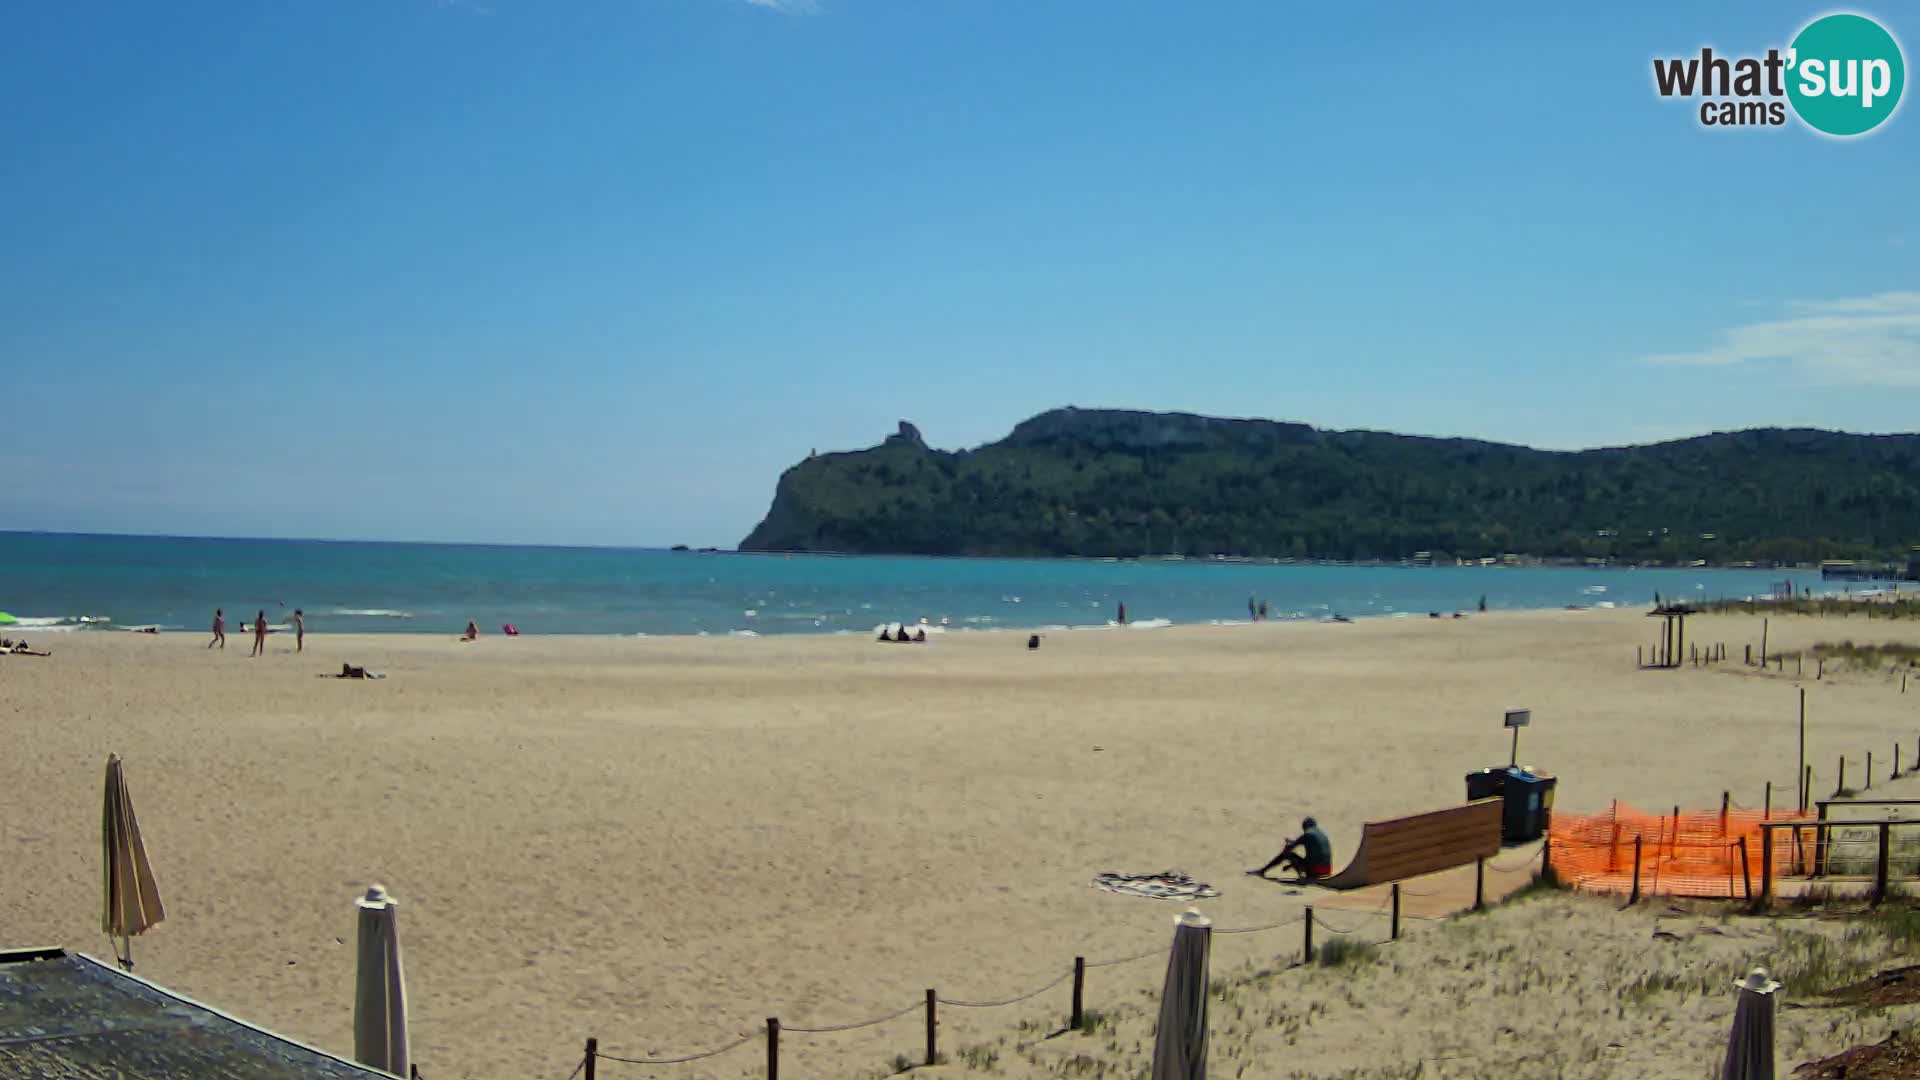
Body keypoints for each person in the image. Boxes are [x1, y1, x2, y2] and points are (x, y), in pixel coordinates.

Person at [1249, 817, 1334, 882]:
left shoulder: (1307, 834)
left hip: (1315, 871)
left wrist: (1288, 846)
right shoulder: (1321, 833)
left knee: (1287, 854)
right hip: (1327, 870)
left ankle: (1262, 871)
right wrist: (1291, 865)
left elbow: (1289, 849)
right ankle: (1262, 871)